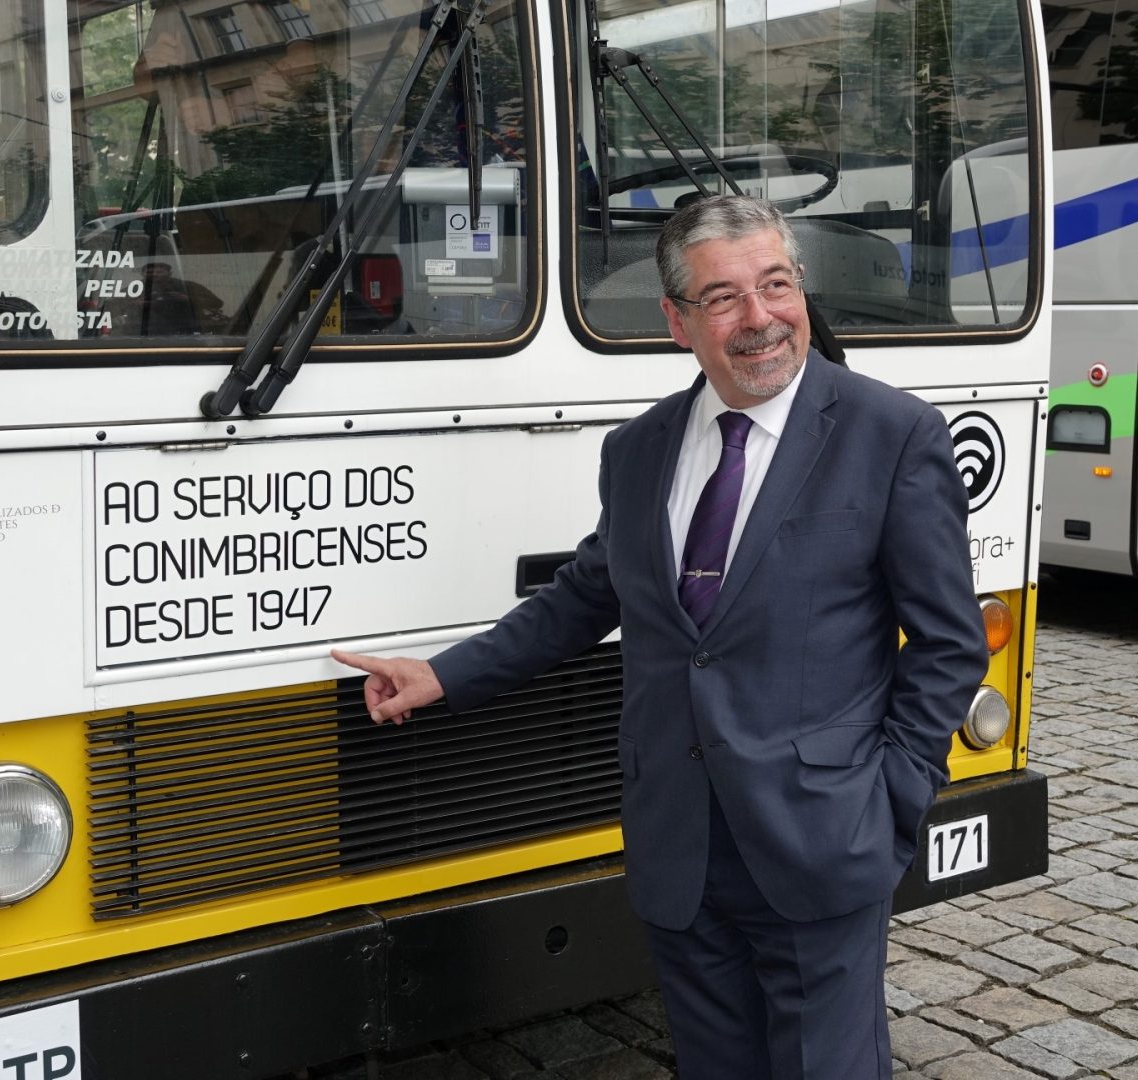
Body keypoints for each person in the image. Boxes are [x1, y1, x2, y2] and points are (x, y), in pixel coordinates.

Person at [332, 195, 986, 1079]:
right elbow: (585, 597)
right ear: (679, 322)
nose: (759, 319)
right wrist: (443, 675)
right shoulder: (639, 451)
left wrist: (893, 798)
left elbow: (948, 644)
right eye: (723, 298)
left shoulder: (892, 435)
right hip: (680, 846)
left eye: (775, 286)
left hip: (823, 840)